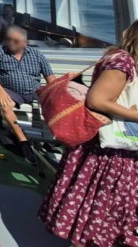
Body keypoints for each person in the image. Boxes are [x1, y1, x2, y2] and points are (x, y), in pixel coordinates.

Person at [39, 20, 138, 247]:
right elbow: (97, 100)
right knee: (100, 213)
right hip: (110, 153)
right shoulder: (123, 62)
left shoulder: (120, 59)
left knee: (99, 215)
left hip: (112, 150)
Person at [0, 25, 55, 164]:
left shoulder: (37, 55)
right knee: (5, 106)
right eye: (9, 39)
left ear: (25, 43)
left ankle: (51, 139)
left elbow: (50, 77)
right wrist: (0, 90)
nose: (11, 43)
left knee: (56, 104)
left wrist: (56, 91)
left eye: (16, 41)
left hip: (35, 90)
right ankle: (23, 141)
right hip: (11, 91)